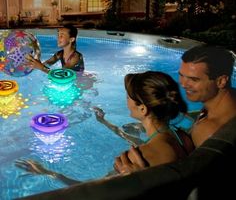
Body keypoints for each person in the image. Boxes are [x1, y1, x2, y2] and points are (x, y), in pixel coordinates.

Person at [15, 71, 194, 183]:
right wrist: (104, 122)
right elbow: (136, 139)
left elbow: (88, 191)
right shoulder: (180, 136)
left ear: (142, 108)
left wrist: (45, 172)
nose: (126, 100)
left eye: (128, 97)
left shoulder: (136, 160)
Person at [114, 45, 236, 173]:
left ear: (221, 81)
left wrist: (142, 179)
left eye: (193, 79)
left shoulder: (208, 131)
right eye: (182, 75)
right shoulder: (221, 104)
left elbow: (200, 184)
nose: (183, 84)